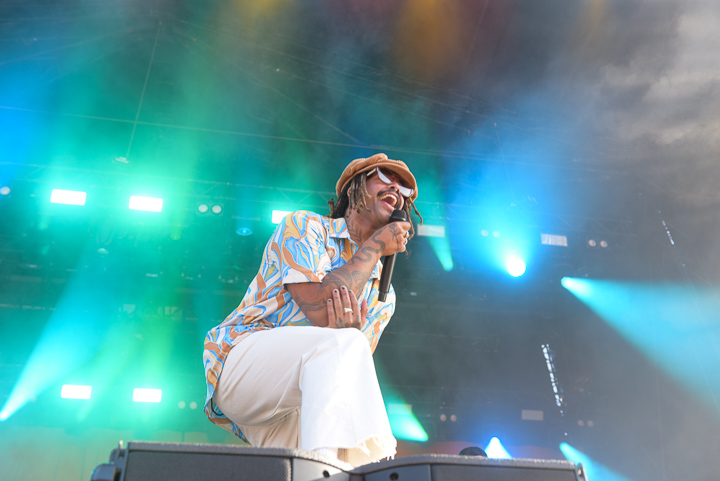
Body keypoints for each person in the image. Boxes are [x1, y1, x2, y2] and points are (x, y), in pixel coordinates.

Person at [202, 153, 422, 466]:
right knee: (345, 343)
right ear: (353, 189)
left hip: (297, 401)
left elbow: (345, 376)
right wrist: (375, 246)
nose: (397, 188)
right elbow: (319, 308)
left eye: (404, 188)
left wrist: (346, 335)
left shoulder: (384, 296)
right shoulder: (306, 226)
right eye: (385, 177)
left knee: (330, 459)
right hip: (242, 364)